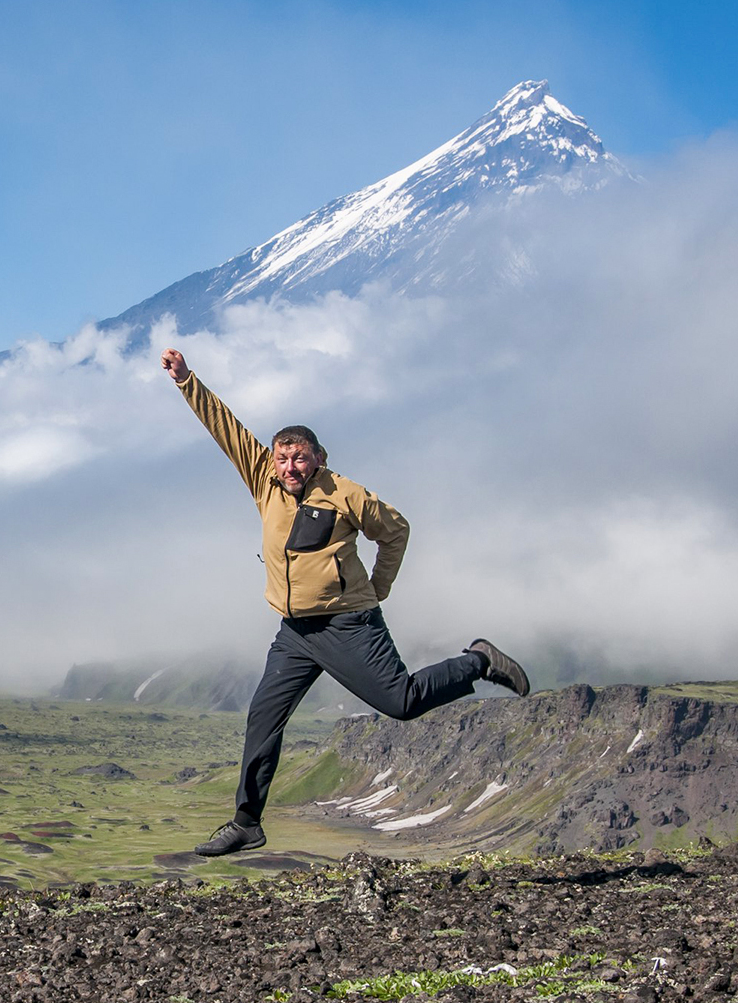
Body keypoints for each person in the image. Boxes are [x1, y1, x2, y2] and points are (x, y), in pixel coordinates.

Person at [159, 347, 531, 857]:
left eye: (300, 457)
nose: (290, 466)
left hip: (347, 626)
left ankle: (479, 660)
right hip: (294, 633)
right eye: (282, 457)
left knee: (401, 703)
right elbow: (227, 429)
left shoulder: (344, 493)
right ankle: (247, 822)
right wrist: (186, 380)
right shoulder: (264, 482)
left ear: (319, 459)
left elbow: (395, 531)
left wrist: (377, 590)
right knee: (262, 719)